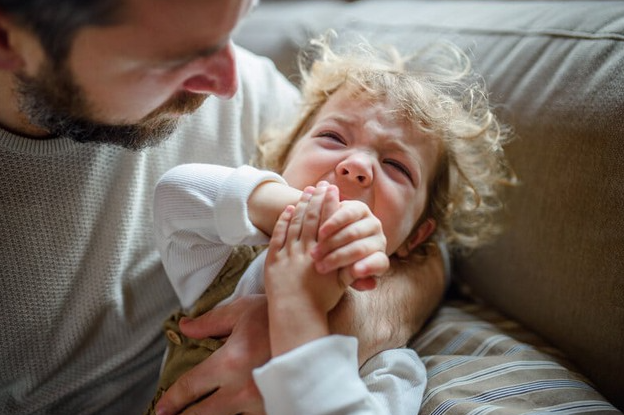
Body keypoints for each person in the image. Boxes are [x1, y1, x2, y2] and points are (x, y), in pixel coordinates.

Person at [0, 1, 448, 414]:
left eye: (238, 21)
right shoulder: (228, 265)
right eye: (171, 56)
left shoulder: (262, 99)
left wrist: (318, 320)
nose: (227, 86)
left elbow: (440, 250)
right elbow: (177, 195)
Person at [150, 35, 515, 415]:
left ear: (416, 236)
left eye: (396, 167)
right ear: (280, 165)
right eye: (332, 137)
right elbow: (176, 194)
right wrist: (296, 209)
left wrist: (299, 310)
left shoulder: (388, 365)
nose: (357, 165)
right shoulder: (227, 265)